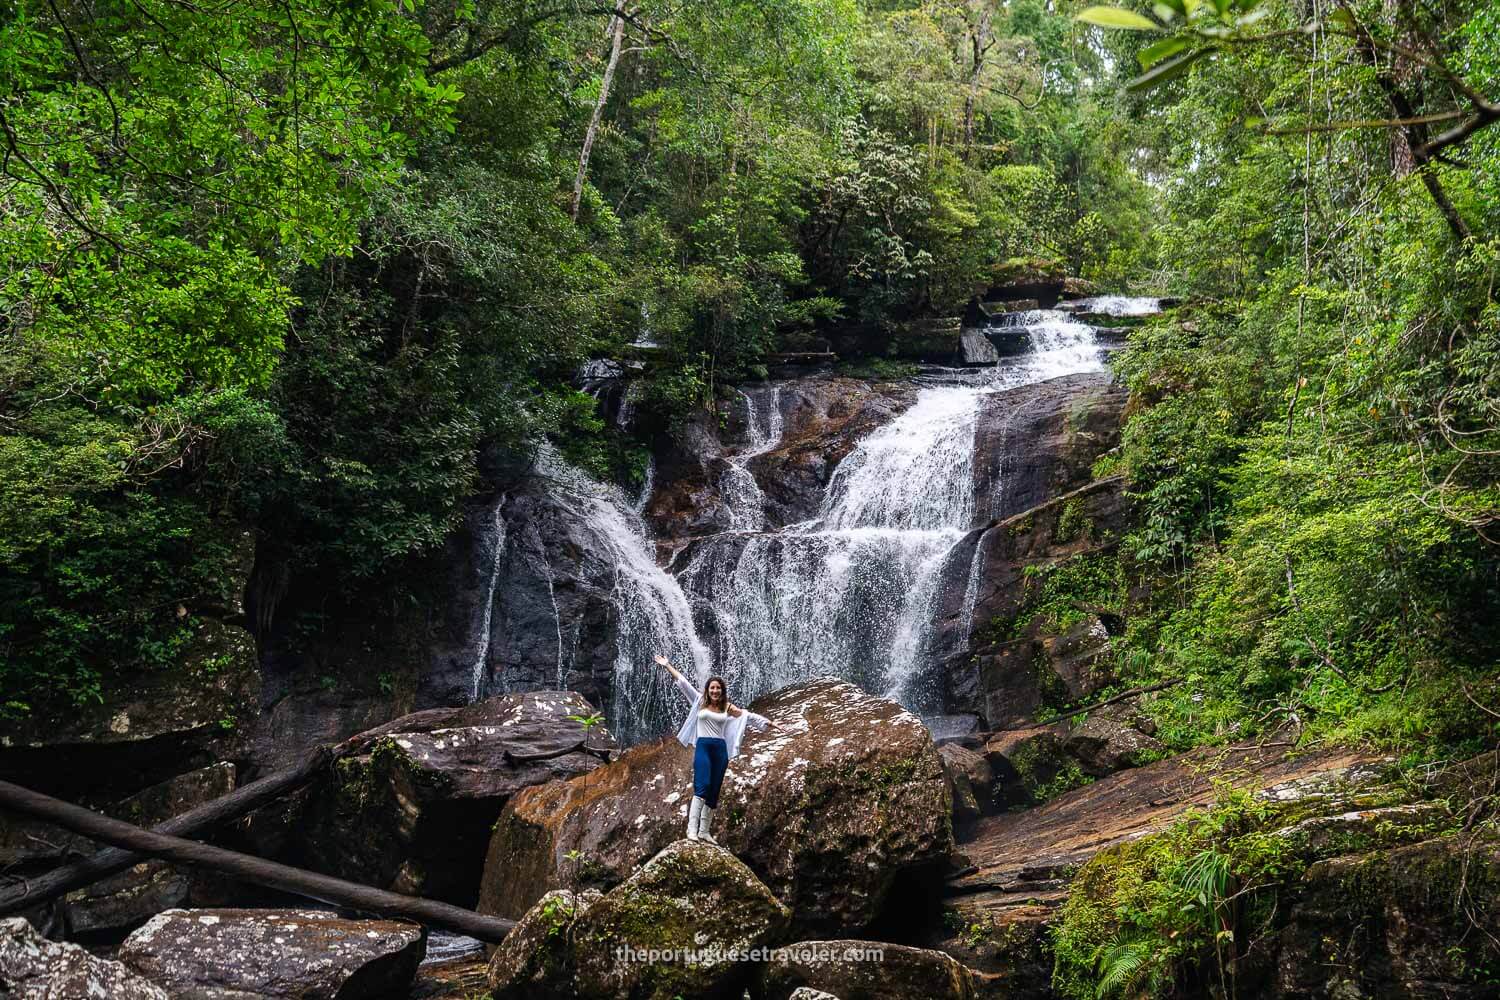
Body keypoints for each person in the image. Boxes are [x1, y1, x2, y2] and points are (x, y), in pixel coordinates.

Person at [652, 654, 780, 843]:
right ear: (707, 690)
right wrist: (667, 665)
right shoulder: (699, 701)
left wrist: (769, 723)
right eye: (712, 688)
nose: (715, 691)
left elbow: (747, 716)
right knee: (702, 786)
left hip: (720, 750)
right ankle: (691, 830)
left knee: (714, 791)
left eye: (718, 688)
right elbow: (682, 681)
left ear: (722, 691)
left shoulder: (727, 708)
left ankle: (704, 831)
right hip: (703, 746)